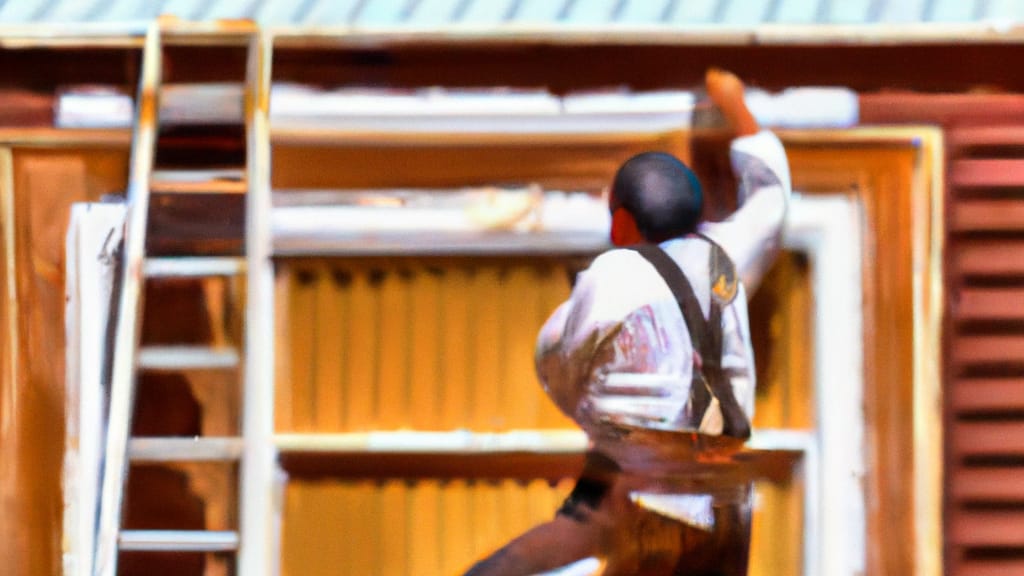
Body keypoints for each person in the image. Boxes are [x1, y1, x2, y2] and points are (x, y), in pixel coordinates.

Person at [463, 68, 791, 576]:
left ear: (622, 223)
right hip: (722, 506)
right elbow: (771, 198)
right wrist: (736, 106)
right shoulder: (726, 257)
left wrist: (598, 417)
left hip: (635, 494)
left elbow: (558, 360)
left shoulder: (613, 275)